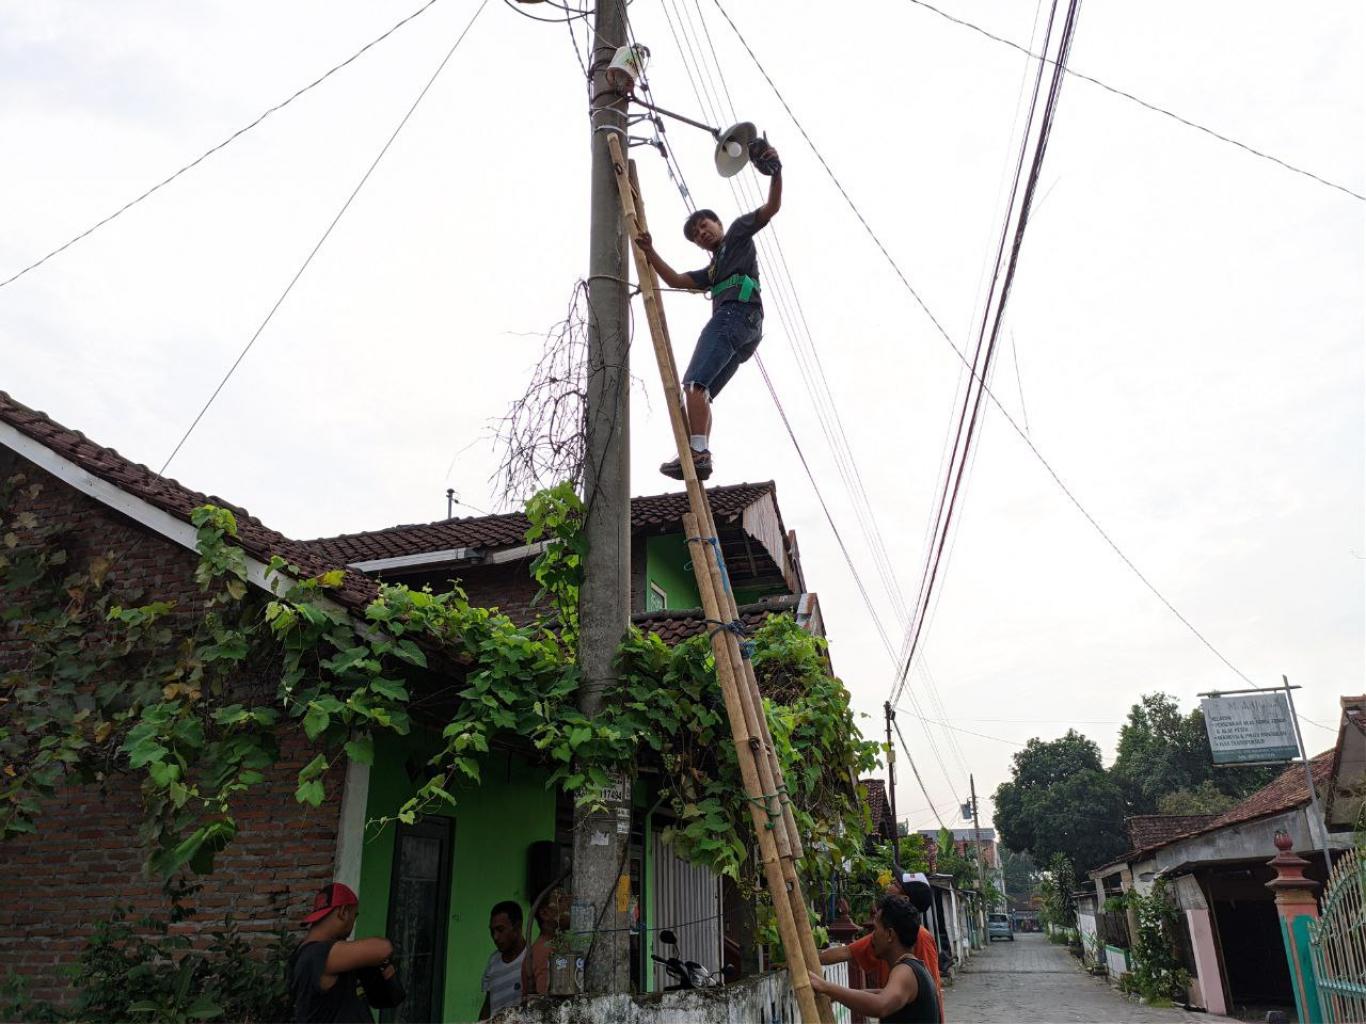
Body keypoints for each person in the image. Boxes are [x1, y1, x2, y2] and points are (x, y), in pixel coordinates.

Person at [634, 141, 783, 482]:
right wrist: (650, 251)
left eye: (705, 226)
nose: (702, 233)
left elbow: (771, 207)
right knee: (702, 393)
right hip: (747, 330)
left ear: (718, 223)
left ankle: (699, 452)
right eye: (696, 235)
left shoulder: (738, 234)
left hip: (735, 316)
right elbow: (675, 280)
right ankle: (700, 451)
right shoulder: (713, 270)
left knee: (694, 382)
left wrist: (776, 173)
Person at [820, 873, 942, 1017]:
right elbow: (848, 952)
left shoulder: (907, 967)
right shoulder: (900, 948)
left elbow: (882, 1004)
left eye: (895, 885)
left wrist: (826, 987)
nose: (872, 936)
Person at [288, 882, 395, 1024]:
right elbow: (383, 948)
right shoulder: (318, 954)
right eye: (354, 915)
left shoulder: (304, 953)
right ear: (343, 912)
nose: (353, 922)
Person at [480, 900, 527, 1019]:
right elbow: (488, 1005)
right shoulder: (493, 961)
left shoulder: (531, 958)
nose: (495, 937)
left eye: (500, 930)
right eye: (492, 931)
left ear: (517, 927)